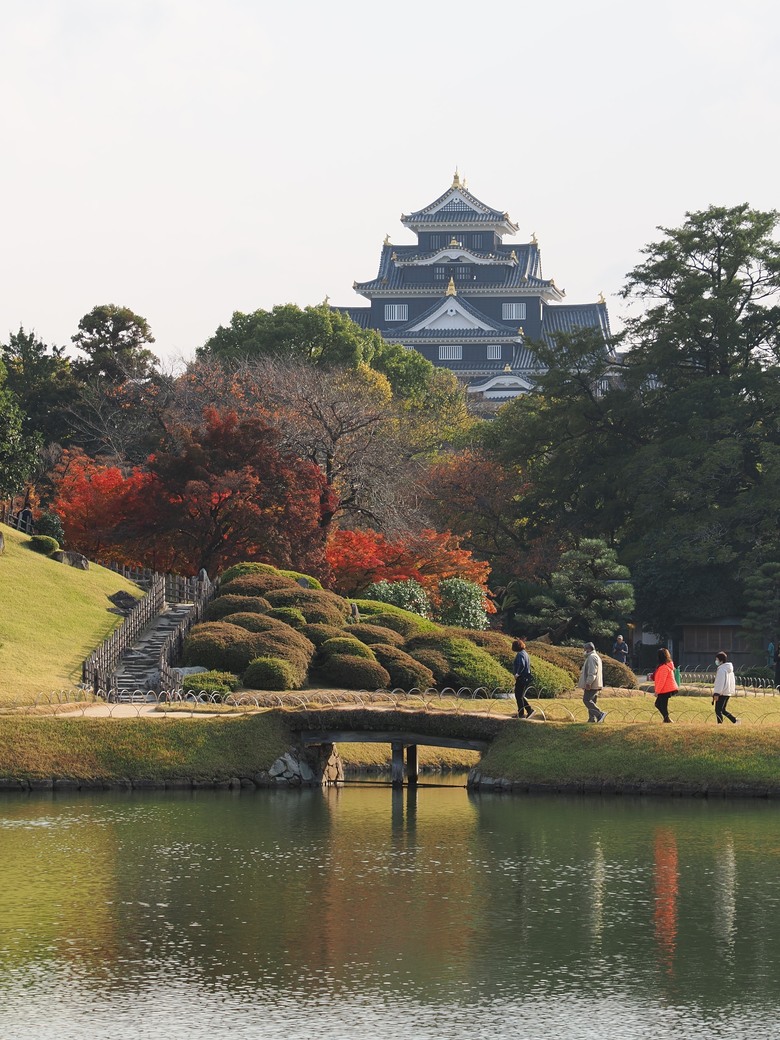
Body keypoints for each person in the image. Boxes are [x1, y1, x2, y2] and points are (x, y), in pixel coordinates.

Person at [578, 641, 606, 722]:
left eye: (585, 649)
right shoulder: (595, 656)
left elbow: (592, 671)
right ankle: (591, 719)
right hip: (596, 683)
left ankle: (600, 714)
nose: (584, 651)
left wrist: (588, 682)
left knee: (586, 700)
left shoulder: (591, 657)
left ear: (589, 649)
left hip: (592, 684)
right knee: (592, 701)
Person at [650, 648, 678, 723]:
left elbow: (662, 681)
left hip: (665, 689)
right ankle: (666, 719)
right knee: (658, 704)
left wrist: (657, 691)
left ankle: (667, 719)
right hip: (666, 688)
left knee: (662, 705)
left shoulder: (664, 667)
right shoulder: (666, 666)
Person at [712, 651, 739, 724]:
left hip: (722, 692)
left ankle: (720, 724)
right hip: (727, 692)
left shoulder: (721, 670)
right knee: (723, 710)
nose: (716, 661)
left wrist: (717, 693)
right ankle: (735, 721)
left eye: (717, 659)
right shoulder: (729, 669)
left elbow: (720, 682)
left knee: (718, 710)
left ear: (721, 660)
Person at [512, 639, 536, 719]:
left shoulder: (520, 654)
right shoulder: (525, 653)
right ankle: (525, 711)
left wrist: (517, 674)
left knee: (518, 695)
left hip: (521, 677)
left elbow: (522, 665)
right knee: (520, 696)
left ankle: (525, 712)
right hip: (526, 677)